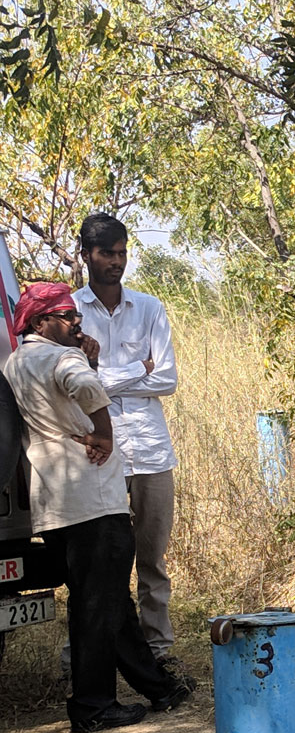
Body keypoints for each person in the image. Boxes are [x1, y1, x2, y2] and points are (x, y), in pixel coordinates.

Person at [2, 281, 191, 732]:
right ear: (39, 321)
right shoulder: (62, 356)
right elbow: (86, 387)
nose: (75, 322)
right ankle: (93, 706)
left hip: (52, 499)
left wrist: (88, 357)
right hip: (93, 499)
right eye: (65, 316)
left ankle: (158, 688)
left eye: (76, 316)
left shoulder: (16, 362)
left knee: (106, 599)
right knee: (96, 604)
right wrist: (104, 433)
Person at [73, 212, 184, 676]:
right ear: (87, 256)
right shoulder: (70, 311)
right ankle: (86, 653)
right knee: (99, 560)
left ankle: (158, 647)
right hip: (97, 451)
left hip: (151, 449)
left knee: (152, 558)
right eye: (107, 254)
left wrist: (102, 379)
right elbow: (74, 385)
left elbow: (168, 378)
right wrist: (138, 369)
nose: (117, 263)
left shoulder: (150, 308)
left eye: (122, 253)